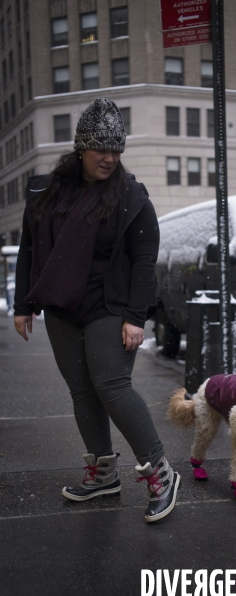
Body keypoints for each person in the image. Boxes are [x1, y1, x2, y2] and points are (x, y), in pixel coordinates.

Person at [13, 97, 180, 523]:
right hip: (62, 307)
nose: (109, 158)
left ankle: (160, 471)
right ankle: (104, 473)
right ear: (81, 148)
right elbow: (31, 247)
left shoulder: (130, 196)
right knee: (82, 390)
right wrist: (23, 304)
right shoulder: (47, 191)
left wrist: (135, 316)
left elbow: (145, 260)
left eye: (115, 150)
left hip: (111, 306)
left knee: (112, 385)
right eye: (100, 149)